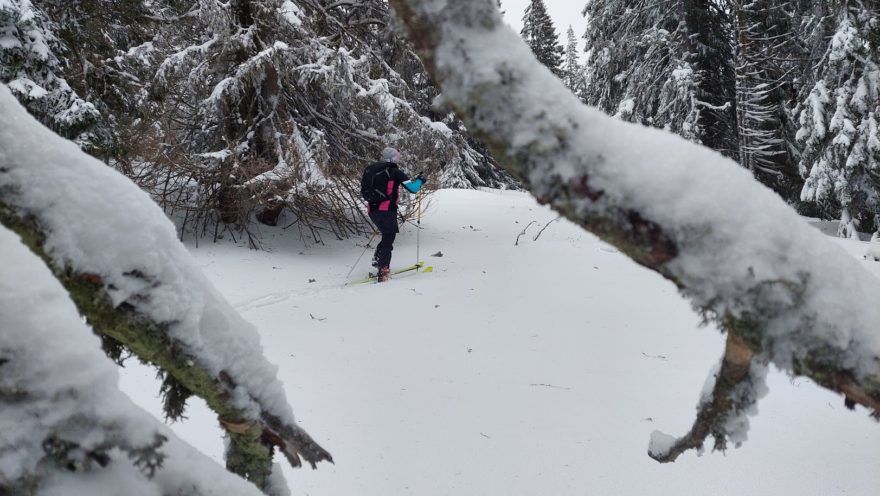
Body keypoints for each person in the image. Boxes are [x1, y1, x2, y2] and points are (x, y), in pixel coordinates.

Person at [366, 147, 425, 282]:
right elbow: (413, 188)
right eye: (397, 157)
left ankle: (378, 259)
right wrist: (421, 180)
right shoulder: (395, 172)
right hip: (386, 210)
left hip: (372, 210)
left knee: (387, 235)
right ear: (393, 158)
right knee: (389, 237)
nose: (399, 159)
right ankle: (383, 269)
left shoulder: (373, 170)